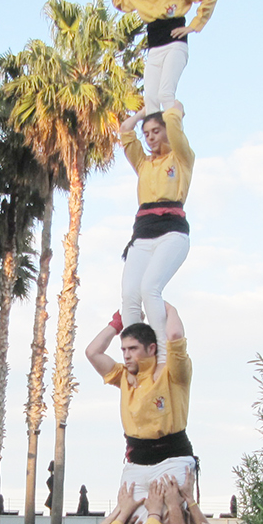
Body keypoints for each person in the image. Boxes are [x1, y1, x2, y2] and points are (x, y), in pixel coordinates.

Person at [98, 0, 217, 115]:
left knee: (165, 94)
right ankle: (156, 133)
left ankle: (174, 130)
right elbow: (124, 2)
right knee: (151, 99)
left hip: (175, 44)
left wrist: (193, 26)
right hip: (154, 48)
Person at [85, 305, 194, 506]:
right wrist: (116, 324)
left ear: (151, 349)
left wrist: (164, 306)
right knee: (128, 522)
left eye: (133, 349)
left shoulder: (173, 373)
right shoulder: (124, 376)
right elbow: (92, 352)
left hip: (172, 461)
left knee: (171, 521)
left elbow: (175, 335)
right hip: (135, 464)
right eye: (124, 349)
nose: (126, 355)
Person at [110, 107, 194, 356]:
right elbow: (125, 130)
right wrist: (143, 113)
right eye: (146, 134)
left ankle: (162, 354)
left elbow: (175, 128)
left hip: (172, 231)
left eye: (156, 131)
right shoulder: (143, 163)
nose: (150, 137)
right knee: (130, 295)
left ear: (167, 131)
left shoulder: (181, 158)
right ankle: (135, 353)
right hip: (143, 233)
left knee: (150, 288)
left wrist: (171, 109)